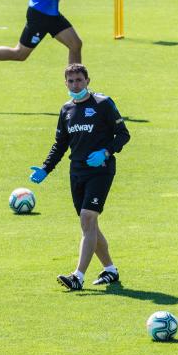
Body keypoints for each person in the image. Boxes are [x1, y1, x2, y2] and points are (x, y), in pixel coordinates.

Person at [29, 64, 131, 291]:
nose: (75, 84)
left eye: (79, 80)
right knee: (90, 225)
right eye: (71, 81)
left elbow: (123, 134)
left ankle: (78, 276)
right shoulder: (66, 110)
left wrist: (105, 152)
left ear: (87, 81)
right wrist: (46, 169)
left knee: (87, 218)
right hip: (76, 172)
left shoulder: (103, 104)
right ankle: (110, 270)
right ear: (65, 83)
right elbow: (60, 144)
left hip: (100, 170)